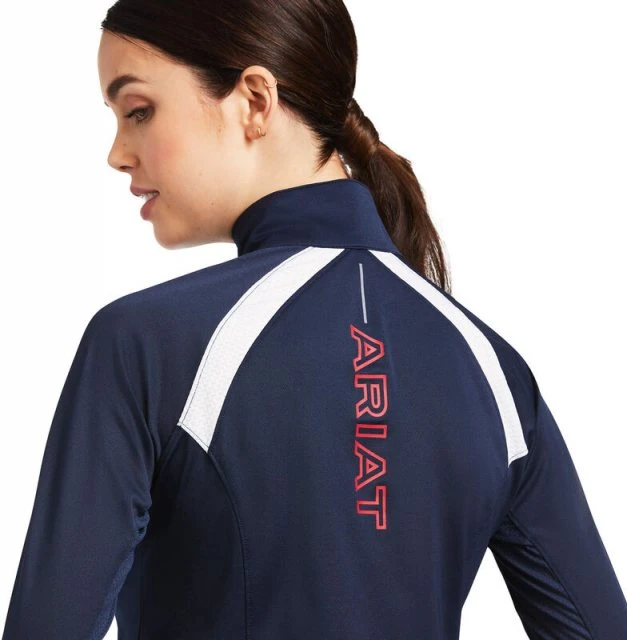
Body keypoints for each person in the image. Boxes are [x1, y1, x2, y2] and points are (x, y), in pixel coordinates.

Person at [2, 1, 626, 638]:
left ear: (255, 100)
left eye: (138, 110)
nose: (117, 153)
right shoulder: (493, 372)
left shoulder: (144, 345)